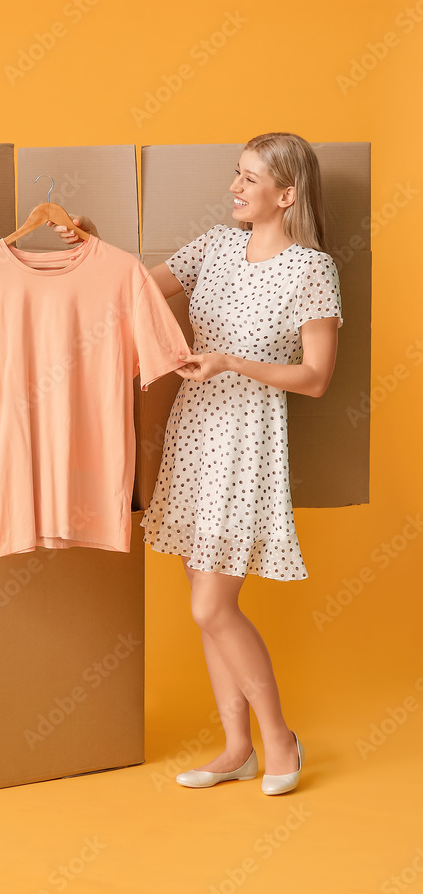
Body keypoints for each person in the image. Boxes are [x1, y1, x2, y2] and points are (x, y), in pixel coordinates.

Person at [56, 133, 341, 795]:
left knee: (213, 608)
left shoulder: (310, 269)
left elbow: (316, 377)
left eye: (248, 179)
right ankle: (236, 747)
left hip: (247, 439)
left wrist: (230, 362)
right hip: (193, 435)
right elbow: (130, 291)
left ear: (285, 194)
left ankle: (279, 740)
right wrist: (91, 243)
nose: (234, 188)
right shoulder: (213, 245)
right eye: (234, 175)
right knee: (202, 603)